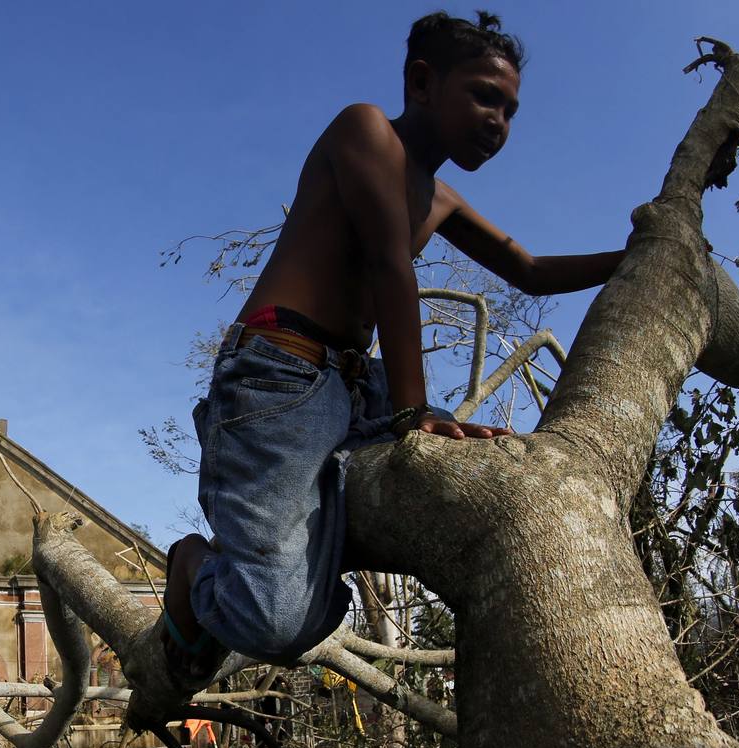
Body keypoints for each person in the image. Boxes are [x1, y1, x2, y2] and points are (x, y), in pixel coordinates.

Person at [160, 11, 626, 688]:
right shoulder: (365, 130)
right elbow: (388, 267)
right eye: (484, 96)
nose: (499, 120)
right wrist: (414, 413)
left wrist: (638, 251)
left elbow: (528, 269)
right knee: (278, 625)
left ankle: (316, 530)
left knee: (480, 462)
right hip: (280, 376)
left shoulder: (440, 196)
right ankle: (194, 568)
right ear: (421, 81)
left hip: (356, 387)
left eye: (512, 110)